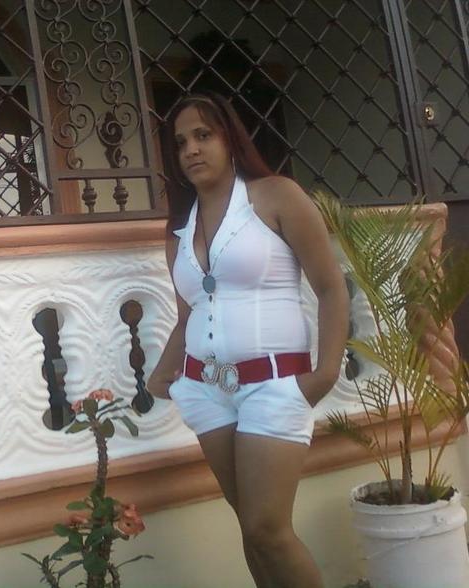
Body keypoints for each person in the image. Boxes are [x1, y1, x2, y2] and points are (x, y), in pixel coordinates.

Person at [146, 93, 349, 588]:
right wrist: (162, 373)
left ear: (230, 139)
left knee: (268, 530)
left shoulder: (276, 196)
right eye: (180, 142)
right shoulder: (179, 229)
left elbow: (330, 288)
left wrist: (324, 373)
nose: (191, 150)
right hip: (207, 389)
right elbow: (191, 312)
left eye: (203, 135)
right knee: (252, 532)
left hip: (273, 386)